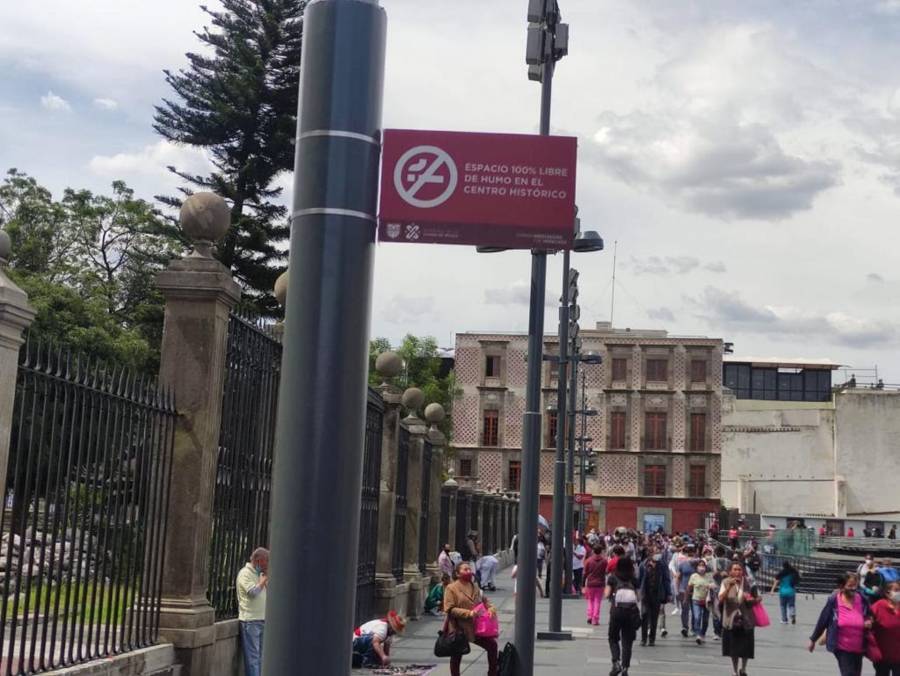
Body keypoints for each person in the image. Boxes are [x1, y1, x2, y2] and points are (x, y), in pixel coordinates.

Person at [809, 572, 872, 676]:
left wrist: (869, 620)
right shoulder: (834, 600)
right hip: (842, 647)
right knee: (848, 673)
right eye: (850, 585)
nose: (853, 588)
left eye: (855, 585)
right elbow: (823, 620)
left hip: (859, 647)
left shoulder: (862, 599)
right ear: (841, 587)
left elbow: (870, 614)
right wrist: (813, 639)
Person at [444, 561, 498, 676]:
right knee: (457, 655)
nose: (469, 571)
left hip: (477, 626)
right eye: (465, 569)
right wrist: (469, 613)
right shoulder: (451, 588)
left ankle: (492, 673)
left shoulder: (475, 586)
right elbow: (449, 609)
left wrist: (491, 608)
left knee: (492, 646)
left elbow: (485, 600)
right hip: (459, 627)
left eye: (469, 569)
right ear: (458, 574)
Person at [719, 562, 760, 676]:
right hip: (731, 619)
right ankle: (734, 670)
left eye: (739, 569)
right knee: (734, 647)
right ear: (730, 571)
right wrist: (729, 587)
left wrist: (752, 600)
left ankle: (744, 669)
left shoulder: (749, 583)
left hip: (747, 619)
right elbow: (721, 599)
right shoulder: (725, 582)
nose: (737, 572)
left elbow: (758, 598)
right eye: (735, 569)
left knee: (746, 647)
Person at [236, 547, 269, 676]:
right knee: (253, 658)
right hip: (251, 621)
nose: (268, 564)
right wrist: (262, 581)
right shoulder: (245, 573)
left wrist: (265, 580)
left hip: (262, 618)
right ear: (259, 560)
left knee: (261, 656)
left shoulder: (259, 575)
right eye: (267, 561)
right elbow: (252, 592)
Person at [606, 557, 641, 676]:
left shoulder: (613, 577)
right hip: (631, 613)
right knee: (627, 642)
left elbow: (606, 594)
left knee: (613, 638)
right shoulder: (634, 579)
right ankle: (625, 668)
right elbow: (638, 598)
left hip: (616, 612)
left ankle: (616, 663)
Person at [638, 546, 671, 646]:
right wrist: (638, 592)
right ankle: (643, 639)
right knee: (644, 615)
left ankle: (652, 639)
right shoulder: (643, 565)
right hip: (646, 593)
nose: (658, 554)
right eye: (656, 552)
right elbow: (639, 579)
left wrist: (668, 593)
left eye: (658, 552)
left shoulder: (662, 565)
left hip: (657, 593)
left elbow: (666, 579)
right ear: (650, 554)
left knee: (654, 617)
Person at [871, 580, 900, 676]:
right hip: (882, 654)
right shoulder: (879, 605)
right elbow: (867, 619)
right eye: (896, 590)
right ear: (887, 593)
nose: (898, 593)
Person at [688, 559, 713, 645]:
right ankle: (698, 634)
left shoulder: (709, 576)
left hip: (707, 601)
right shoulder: (693, 576)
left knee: (705, 620)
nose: (701, 567)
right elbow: (689, 587)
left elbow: (714, 586)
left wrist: (711, 586)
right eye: (700, 565)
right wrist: (686, 598)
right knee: (697, 617)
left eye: (703, 565)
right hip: (696, 600)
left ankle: (703, 634)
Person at [584, 543, 608, 626]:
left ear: (593, 551)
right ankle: (595, 619)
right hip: (600, 583)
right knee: (597, 601)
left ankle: (590, 616)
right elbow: (606, 571)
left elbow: (585, 573)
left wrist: (583, 585)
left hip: (590, 583)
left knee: (590, 600)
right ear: (601, 551)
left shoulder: (588, 561)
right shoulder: (604, 561)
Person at [676, 546, 697, 637]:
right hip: (683, 590)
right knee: (685, 610)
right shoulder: (682, 564)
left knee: (695, 611)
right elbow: (678, 577)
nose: (690, 554)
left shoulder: (698, 564)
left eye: (692, 551)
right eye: (689, 552)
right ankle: (685, 627)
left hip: (696, 590)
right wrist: (677, 590)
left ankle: (693, 628)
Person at [772, 560, 801, 624]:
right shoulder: (793, 573)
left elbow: (776, 580)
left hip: (782, 592)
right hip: (791, 592)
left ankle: (784, 620)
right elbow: (798, 580)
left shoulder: (781, 574)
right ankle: (792, 613)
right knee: (791, 605)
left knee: (783, 606)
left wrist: (772, 590)